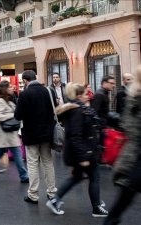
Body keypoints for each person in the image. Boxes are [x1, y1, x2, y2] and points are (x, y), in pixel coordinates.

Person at [46, 83, 108, 217]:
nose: (89, 96)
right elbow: (75, 135)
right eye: (86, 94)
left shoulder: (79, 109)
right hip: (84, 152)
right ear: (79, 96)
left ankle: (56, 200)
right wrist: (83, 157)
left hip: (83, 151)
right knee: (94, 177)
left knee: (78, 177)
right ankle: (96, 207)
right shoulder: (77, 111)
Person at [104, 66, 141, 225]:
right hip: (135, 156)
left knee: (123, 201)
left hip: (133, 155)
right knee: (123, 201)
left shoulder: (131, 95)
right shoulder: (133, 97)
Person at [14, 70, 57, 204]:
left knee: (32, 164)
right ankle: (51, 192)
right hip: (47, 133)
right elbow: (54, 109)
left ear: (25, 81)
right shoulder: (47, 91)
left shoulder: (25, 94)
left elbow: (18, 116)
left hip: (31, 134)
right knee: (48, 162)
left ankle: (33, 194)